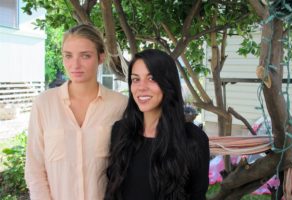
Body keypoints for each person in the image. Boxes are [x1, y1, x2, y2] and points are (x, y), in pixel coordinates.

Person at [25, 24, 127, 200]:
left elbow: (129, 166)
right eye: (68, 56)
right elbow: (35, 168)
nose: (75, 64)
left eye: (85, 56)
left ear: (101, 57)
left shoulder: (120, 105)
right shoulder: (44, 104)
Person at [105, 49, 210, 200]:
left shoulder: (193, 138)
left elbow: (197, 196)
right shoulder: (120, 131)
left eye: (152, 78)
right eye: (136, 79)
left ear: (168, 83)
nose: (141, 87)